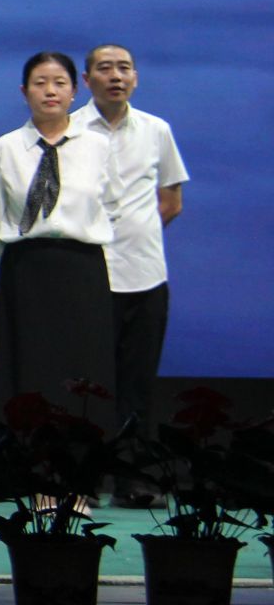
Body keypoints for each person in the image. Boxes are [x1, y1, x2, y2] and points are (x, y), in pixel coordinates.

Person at [74, 44, 187, 505]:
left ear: (135, 78)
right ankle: (81, 479)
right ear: (87, 80)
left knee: (137, 384)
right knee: (85, 384)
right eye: (105, 69)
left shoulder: (157, 130)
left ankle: (132, 481)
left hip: (145, 274)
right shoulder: (70, 131)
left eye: (124, 68)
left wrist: (136, 234)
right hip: (89, 275)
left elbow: (171, 202)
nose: (116, 76)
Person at [0, 51, 115, 418]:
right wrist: (16, 264)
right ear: (24, 91)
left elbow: (111, 207)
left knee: (85, 364)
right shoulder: (4, 149)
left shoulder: (99, 147)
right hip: (26, 270)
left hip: (83, 269)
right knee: (28, 364)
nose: (50, 91)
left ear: (75, 91)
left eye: (60, 83)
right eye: (40, 83)